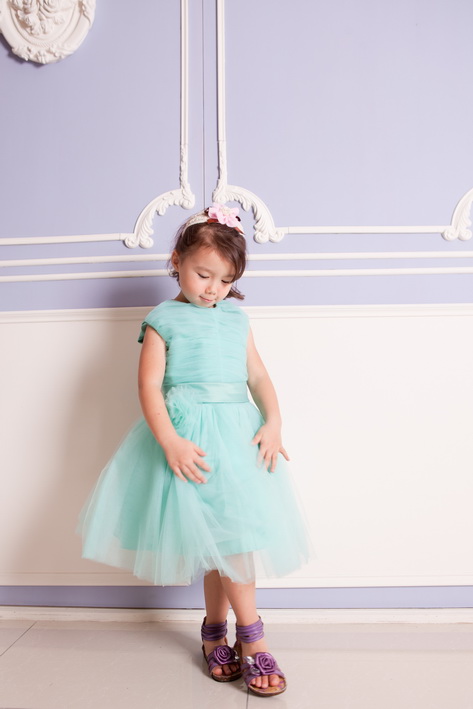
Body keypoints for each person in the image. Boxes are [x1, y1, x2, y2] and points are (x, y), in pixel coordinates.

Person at [78, 203, 313, 697]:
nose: (212, 289)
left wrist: (274, 422)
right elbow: (149, 386)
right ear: (176, 260)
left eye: (225, 280)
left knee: (231, 539)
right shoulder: (162, 319)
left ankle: (217, 633)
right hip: (190, 441)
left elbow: (257, 376)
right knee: (221, 542)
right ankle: (250, 637)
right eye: (203, 274)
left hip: (239, 439)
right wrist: (169, 441)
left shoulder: (236, 320)